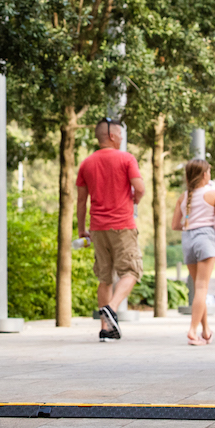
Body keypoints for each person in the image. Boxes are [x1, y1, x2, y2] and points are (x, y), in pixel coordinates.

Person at [77, 118, 145, 342]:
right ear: (113, 136)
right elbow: (140, 187)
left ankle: (106, 329)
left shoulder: (86, 163)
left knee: (105, 278)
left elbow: (81, 201)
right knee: (132, 271)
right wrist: (136, 198)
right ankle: (112, 308)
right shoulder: (126, 158)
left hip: (97, 227)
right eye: (121, 135)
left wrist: (81, 229)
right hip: (122, 225)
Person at [172, 159, 215, 345]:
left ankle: (205, 329)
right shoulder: (213, 194)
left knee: (198, 288)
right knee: (202, 287)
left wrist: (190, 226)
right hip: (206, 238)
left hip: (188, 240)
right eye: (209, 172)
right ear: (204, 175)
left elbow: (174, 225)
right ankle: (193, 331)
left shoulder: (183, 197)